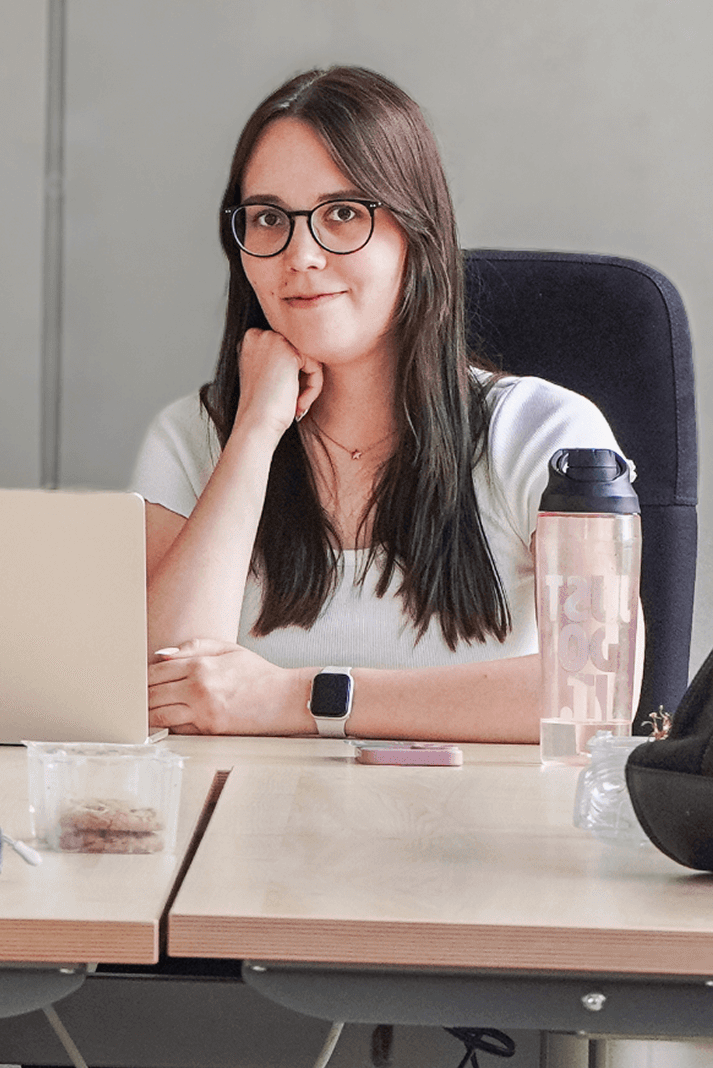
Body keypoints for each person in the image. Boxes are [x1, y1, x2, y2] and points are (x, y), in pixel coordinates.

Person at [137, 66, 620, 741]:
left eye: (342, 213)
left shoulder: (548, 435)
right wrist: (254, 431)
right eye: (269, 218)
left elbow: (594, 690)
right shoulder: (192, 439)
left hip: (475, 810)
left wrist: (296, 699)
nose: (301, 255)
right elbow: (157, 695)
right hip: (243, 809)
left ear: (415, 234)